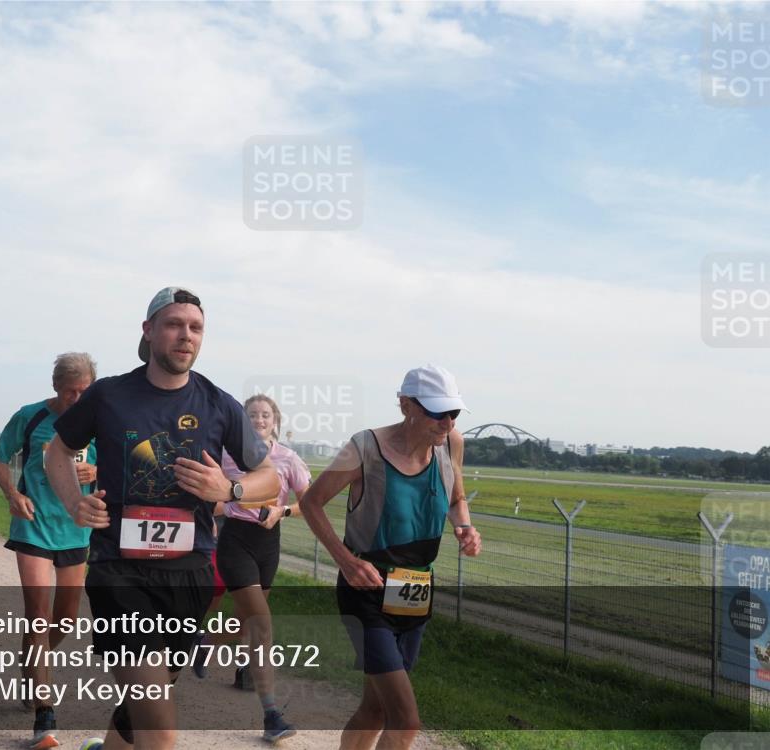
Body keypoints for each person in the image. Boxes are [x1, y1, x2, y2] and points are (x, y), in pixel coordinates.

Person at [46, 287, 280, 750]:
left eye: (195, 328)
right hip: (120, 569)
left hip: (189, 572)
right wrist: (76, 501)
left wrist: (229, 489)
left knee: (144, 702)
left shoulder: (217, 403)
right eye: (174, 324)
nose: (185, 335)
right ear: (149, 330)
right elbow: (59, 452)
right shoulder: (109, 395)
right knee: (157, 714)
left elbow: (269, 479)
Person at [300, 364, 482, 750]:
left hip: (415, 592)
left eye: (454, 413)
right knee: (406, 719)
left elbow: (457, 498)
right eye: (436, 412)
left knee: (376, 709)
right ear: (405, 406)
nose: (446, 422)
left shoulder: (452, 444)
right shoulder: (365, 448)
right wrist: (345, 561)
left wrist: (464, 527)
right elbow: (312, 503)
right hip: (366, 590)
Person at [0, 353, 99, 750]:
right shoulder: (31, 416)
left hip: (76, 530)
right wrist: (12, 494)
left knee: (65, 620)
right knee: (37, 614)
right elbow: (0, 458)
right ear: (56, 386)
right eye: (70, 391)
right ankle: (45, 712)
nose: (77, 398)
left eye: (84, 391)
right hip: (33, 525)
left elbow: (118, 464)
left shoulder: (96, 420)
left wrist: (96, 472)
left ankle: (30, 665)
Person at [216, 393, 309, 741]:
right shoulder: (227, 455)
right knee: (261, 624)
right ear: (243, 421)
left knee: (245, 627)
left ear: (275, 421)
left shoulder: (288, 458)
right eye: (251, 414)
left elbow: (308, 502)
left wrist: (282, 512)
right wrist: (219, 506)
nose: (258, 419)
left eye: (264, 415)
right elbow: (212, 495)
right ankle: (272, 715)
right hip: (235, 540)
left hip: (269, 544)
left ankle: (199, 643)